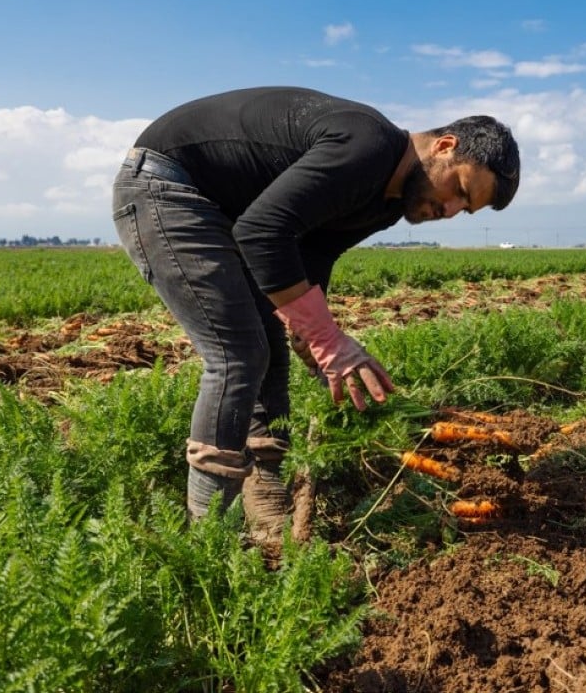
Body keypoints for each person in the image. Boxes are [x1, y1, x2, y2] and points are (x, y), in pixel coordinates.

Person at [111, 87, 520, 535]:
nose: (452, 209)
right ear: (445, 146)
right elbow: (262, 233)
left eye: (467, 209)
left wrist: (308, 333)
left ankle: (265, 499)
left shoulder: (386, 202)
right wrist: (327, 340)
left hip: (224, 208)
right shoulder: (369, 148)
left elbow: (311, 253)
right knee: (238, 355)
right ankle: (209, 540)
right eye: (460, 189)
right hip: (168, 186)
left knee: (268, 347)